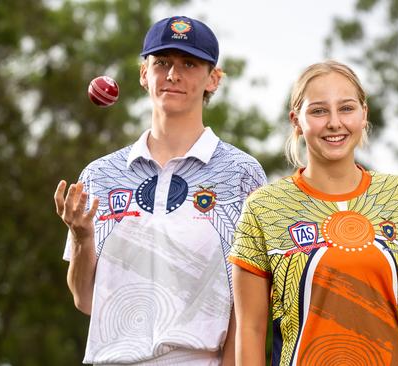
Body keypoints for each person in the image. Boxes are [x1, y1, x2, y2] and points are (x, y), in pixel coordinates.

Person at [229, 60, 398, 366]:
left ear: (364, 115)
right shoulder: (265, 206)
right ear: (296, 121)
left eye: (346, 108)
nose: (334, 122)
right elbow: (251, 330)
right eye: (319, 111)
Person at [54, 15, 266, 365]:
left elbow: (248, 305)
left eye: (189, 63)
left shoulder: (241, 173)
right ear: (143, 74)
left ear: (213, 79)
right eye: (162, 62)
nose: (173, 74)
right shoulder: (101, 174)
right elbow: (86, 300)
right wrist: (81, 237)